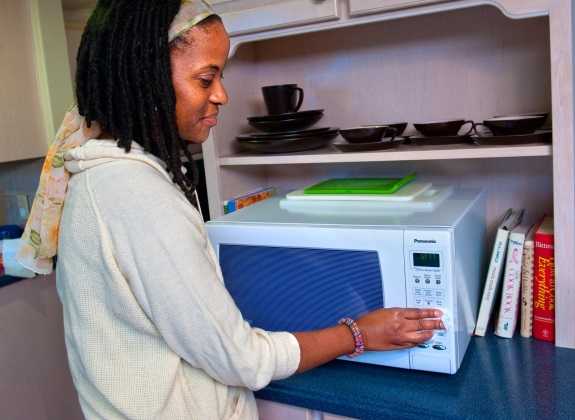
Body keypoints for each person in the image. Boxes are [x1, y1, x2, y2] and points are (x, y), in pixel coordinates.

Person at [17, 1, 445, 419]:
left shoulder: (103, 177)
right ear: (146, 78)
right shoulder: (134, 193)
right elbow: (243, 360)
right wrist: (359, 333)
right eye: (206, 79)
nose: (222, 94)